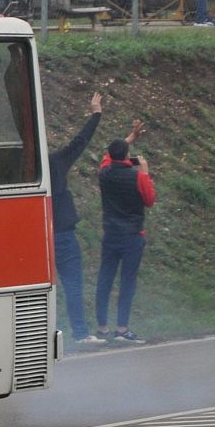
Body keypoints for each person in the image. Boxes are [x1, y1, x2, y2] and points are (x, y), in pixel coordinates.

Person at [49, 92, 104, 345]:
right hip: (63, 235)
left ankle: (42, 336)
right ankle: (80, 333)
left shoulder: (22, 167)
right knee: (73, 285)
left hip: (36, 236)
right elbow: (80, 141)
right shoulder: (57, 162)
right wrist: (96, 113)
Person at [94, 132, 156, 344]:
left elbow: (108, 157)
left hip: (111, 234)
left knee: (104, 280)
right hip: (132, 236)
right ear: (127, 156)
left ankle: (102, 328)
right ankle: (122, 328)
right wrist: (145, 171)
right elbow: (149, 200)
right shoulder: (137, 177)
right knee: (127, 282)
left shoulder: (104, 172)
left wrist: (127, 140)